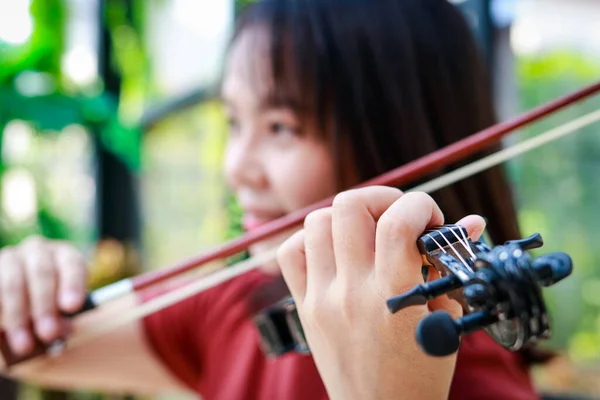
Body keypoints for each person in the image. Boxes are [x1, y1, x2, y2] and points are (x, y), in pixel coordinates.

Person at [0, 0, 540, 398]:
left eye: (282, 127)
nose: (236, 167)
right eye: (235, 121)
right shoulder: (243, 308)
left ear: (397, 133)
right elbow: (34, 347)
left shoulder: (465, 368)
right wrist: (22, 287)